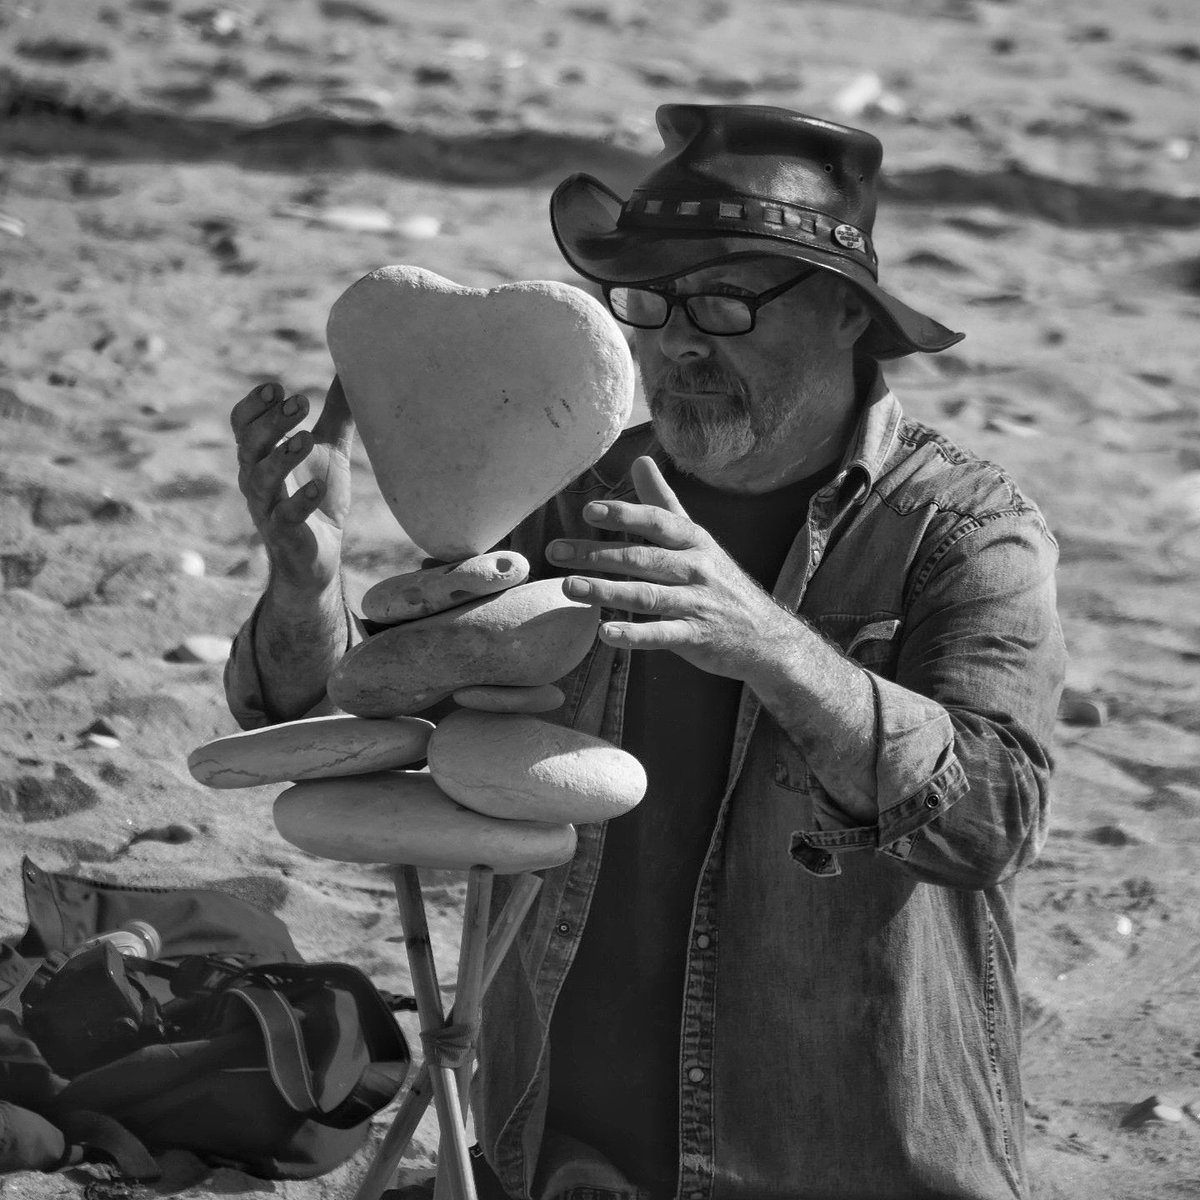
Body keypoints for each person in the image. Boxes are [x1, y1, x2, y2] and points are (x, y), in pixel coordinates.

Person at [226, 104, 1066, 1200]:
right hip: (555, 1163)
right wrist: (305, 584)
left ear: (847, 315)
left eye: (723, 299)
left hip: (843, 1165)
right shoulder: (574, 490)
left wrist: (768, 643)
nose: (676, 341)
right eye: (649, 300)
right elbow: (365, 738)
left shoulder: (966, 532)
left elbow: (993, 819)